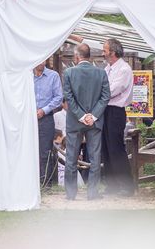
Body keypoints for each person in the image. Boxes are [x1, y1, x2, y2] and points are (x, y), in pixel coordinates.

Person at [63, 43, 110, 201]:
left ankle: (70, 194)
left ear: (76, 57)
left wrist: (81, 116)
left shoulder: (68, 73)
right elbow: (105, 96)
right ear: (89, 56)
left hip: (75, 122)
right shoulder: (101, 73)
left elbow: (69, 98)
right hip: (94, 123)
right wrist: (93, 116)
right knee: (95, 157)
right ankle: (92, 193)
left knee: (71, 157)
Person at [101, 38, 135, 196]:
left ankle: (126, 186)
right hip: (105, 109)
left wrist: (99, 93)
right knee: (106, 148)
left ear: (113, 52)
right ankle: (112, 185)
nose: (103, 52)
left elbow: (112, 90)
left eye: (105, 50)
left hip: (116, 110)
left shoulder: (124, 69)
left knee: (116, 148)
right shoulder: (108, 68)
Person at [33, 60, 63, 186]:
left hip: (45, 118)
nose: (41, 62)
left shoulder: (53, 76)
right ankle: (30, 183)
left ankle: (45, 183)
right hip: (28, 118)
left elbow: (58, 97)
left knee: (45, 151)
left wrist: (43, 111)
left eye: (44, 59)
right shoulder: (26, 76)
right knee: (28, 149)